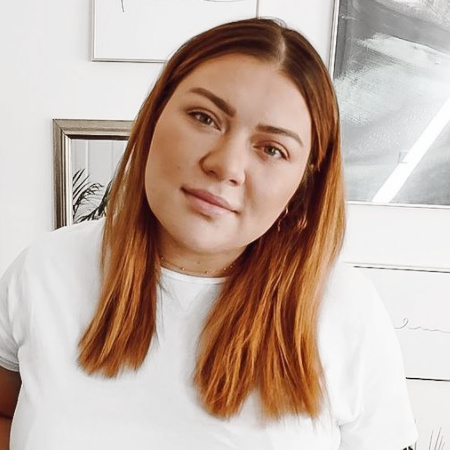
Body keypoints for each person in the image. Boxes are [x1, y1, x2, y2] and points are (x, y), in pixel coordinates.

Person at [0, 18, 417, 450]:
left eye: (272, 149)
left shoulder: (347, 311)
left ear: (303, 185)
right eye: (205, 118)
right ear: (154, 116)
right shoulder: (44, 269)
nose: (226, 165)